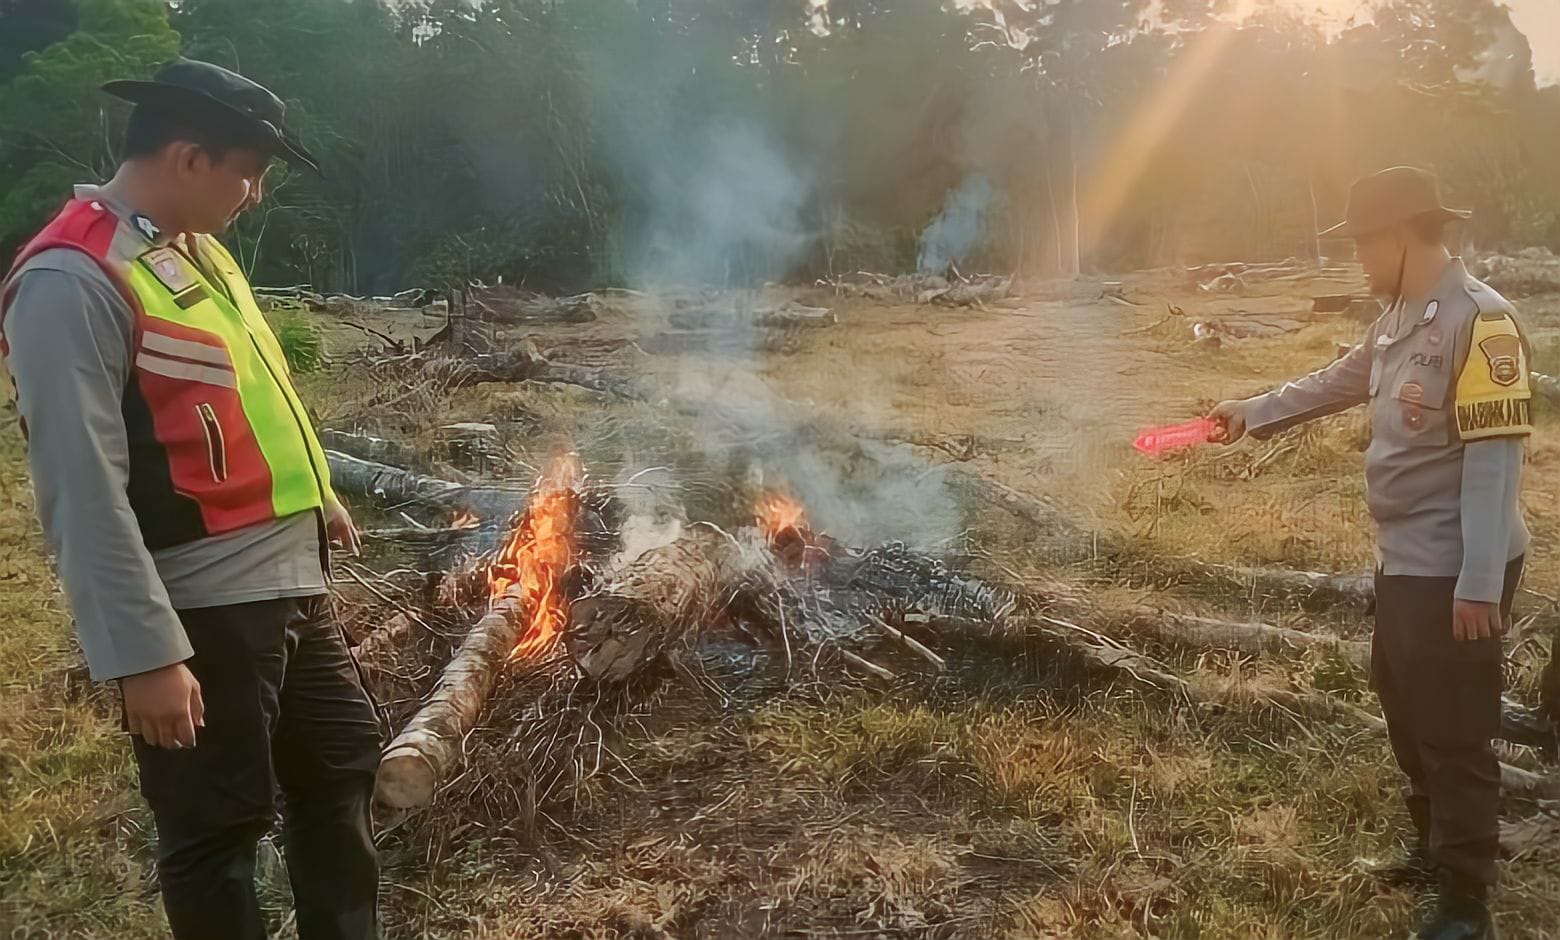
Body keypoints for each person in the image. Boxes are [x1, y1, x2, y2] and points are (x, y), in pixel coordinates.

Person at [0, 59, 381, 940]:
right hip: (205, 608)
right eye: (249, 171)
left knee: (343, 764)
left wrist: (316, 495)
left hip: (287, 584)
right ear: (188, 157)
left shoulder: (190, 249)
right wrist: (142, 654)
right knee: (217, 830)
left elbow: (250, 383)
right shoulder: (72, 278)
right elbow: (79, 485)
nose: (253, 193)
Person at [1209, 166, 1530, 940]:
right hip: (1404, 560)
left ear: (1398, 236)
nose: (1356, 259)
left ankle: (1465, 898)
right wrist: (1251, 411)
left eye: (1361, 244)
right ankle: (1430, 848)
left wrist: (1480, 583)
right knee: (1402, 703)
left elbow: (1495, 462)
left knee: (1454, 726)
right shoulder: (1396, 317)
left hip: (1459, 566)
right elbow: (1339, 381)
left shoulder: (1482, 322)